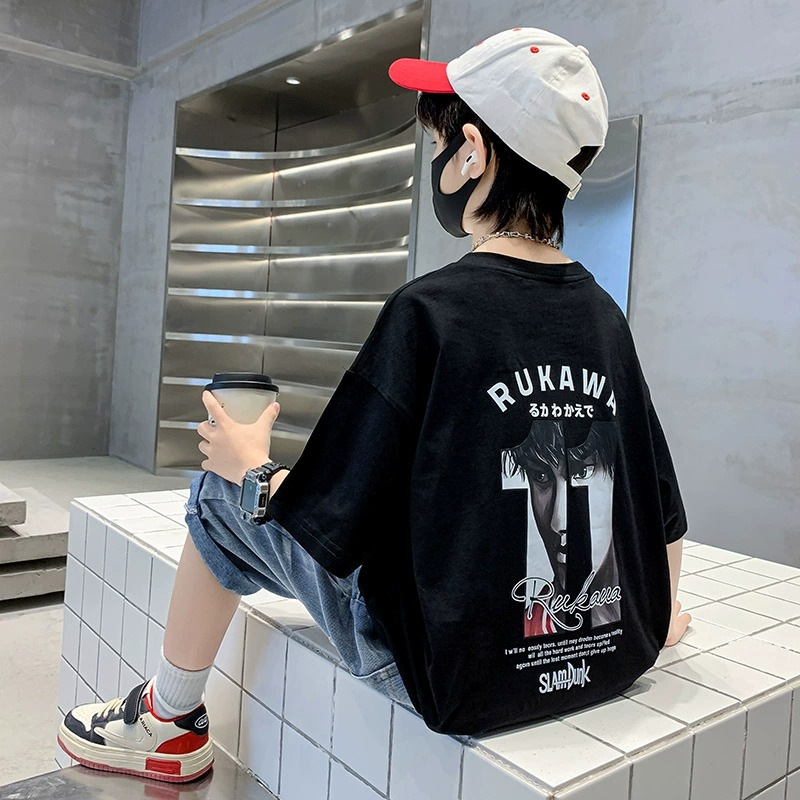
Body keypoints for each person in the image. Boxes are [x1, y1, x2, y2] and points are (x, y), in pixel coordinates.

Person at [57, 27, 691, 782]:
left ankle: (167, 721)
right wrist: (649, 622)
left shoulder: (430, 312)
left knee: (217, 497)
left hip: (447, 671)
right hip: (599, 650)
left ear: (473, 154)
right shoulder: (605, 318)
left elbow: (332, 524)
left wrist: (250, 466)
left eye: (439, 145)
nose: (437, 164)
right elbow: (662, 511)